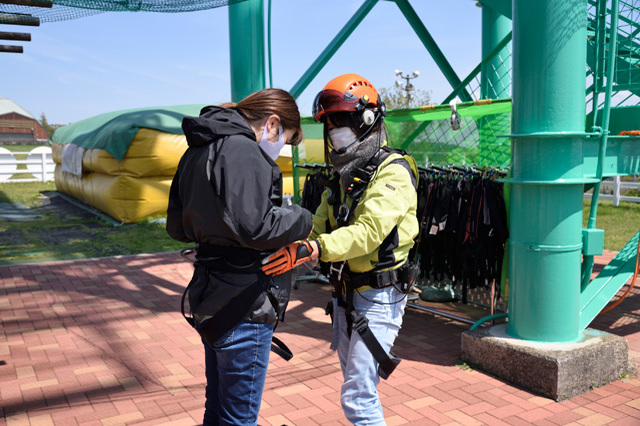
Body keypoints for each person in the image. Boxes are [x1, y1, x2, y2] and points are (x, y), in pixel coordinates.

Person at [262, 73, 419, 425]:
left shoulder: (393, 172)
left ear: (366, 120)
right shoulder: (344, 176)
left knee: (358, 397)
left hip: (380, 298)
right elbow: (317, 225)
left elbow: (369, 232)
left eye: (341, 123)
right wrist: (288, 240)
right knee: (359, 386)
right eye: (330, 125)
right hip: (346, 296)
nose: (334, 132)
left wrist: (314, 249)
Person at [166, 88, 313, 426]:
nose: (281, 150)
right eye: (286, 140)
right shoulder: (243, 150)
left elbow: (177, 225)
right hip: (244, 305)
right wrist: (300, 218)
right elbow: (257, 228)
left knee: (216, 410)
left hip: (210, 297)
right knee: (238, 419)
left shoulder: (200, 146)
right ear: (273, 124)